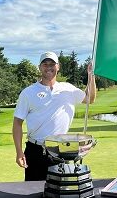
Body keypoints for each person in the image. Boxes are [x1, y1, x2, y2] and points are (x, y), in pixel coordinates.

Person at [13, 51, 97, 181]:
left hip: (61, 151)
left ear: (58, 67)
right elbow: (17, 123)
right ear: (40, 67)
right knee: (33, 194)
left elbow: (89, 98)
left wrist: (91, 75)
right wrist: (19, 151)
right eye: (45, 64)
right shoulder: (28, 93)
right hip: (36, 151)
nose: (49, 67)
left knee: (59, 193)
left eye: (52, 64)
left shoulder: (68, 89)